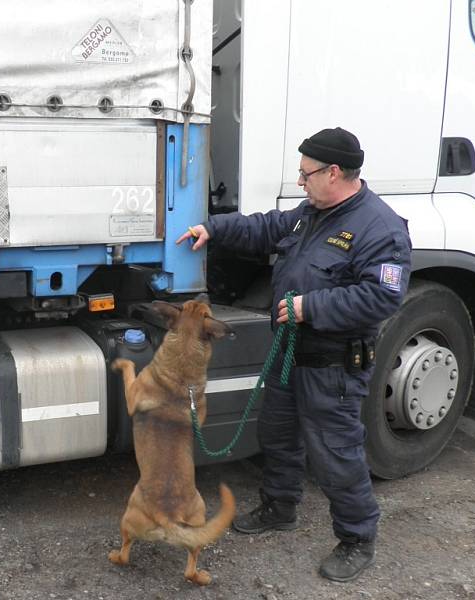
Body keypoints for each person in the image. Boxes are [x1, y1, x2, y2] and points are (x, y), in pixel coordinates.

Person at [176, 127, 412, 582]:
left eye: (306, 174)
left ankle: (357, 538)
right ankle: (280, 507)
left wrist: (310, 307)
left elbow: (381, 299)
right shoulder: (312, 213)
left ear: (334, 172)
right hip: (290, 353)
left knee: (335, 454)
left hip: (332, 364)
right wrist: (213, 227)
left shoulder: (381, 229)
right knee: (278, 435)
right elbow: (265, 227)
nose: (300, 182)